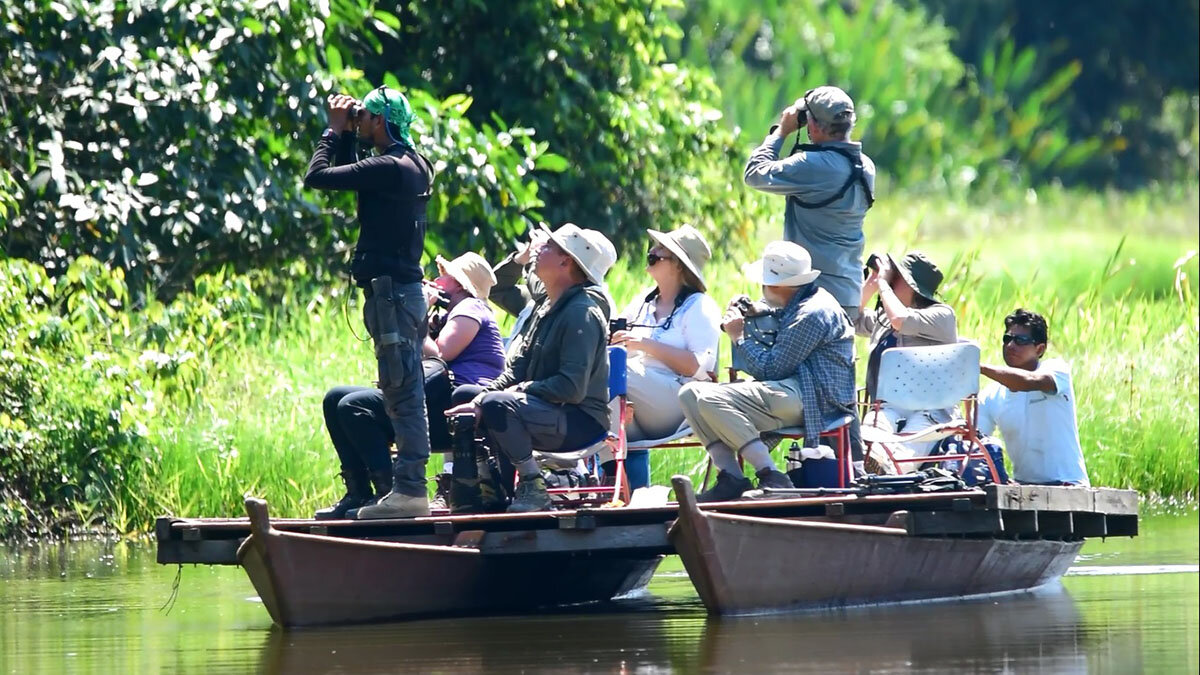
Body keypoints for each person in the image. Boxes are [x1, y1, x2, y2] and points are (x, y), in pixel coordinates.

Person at [303, 85, 435, 519]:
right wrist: (347, 135)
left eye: (364, 116)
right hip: (394, 294)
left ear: (380, 121)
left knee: (403, 392)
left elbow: (319, 177)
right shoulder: (408, 164)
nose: (358, 122)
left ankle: (410, 491)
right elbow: (349, 176)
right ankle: (378, 494)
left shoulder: (392, 167)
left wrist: (332, 130)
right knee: (399, 388)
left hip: (394, 295)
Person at [313, 252, 506, 519]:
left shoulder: (471, 308)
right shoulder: (454, 312)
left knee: (353, 406)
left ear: (460, 285)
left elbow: (439, 353)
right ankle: (358, 491)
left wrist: (420, 315)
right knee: (335, 398)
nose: (436, 279)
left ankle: (390, 493)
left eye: (444, 276)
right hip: (435, 397)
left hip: (456, 408)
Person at [445, 224, 615, 513]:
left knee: (499, 403)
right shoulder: (545, 306)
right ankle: (492, 485)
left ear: (566, 262)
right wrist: (476, 400)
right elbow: (516, 370)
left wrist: (516, 391)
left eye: (547, 246)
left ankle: (533, 485)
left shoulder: (581, 313)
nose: (538, 250)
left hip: (579, 421)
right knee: (466, 393)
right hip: (545, 409)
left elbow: (571, 389)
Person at [678, 241, 856, 502]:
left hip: (815, 398)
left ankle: (771, 475)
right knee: (689, 394)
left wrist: (738, 337)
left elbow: (770, 369)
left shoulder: (812, 314)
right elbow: (779, 317)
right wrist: (752, 308)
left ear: (776, 285)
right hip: (798, 388)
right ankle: (731, 478)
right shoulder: (804, 301)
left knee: (710, 398)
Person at [743, 85, 876, 321]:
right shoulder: (866, 166)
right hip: (848, 292)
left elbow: (754, 173)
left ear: (812, 126)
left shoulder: (814, 165)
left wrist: (781, 132)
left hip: (812, 297)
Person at [607, 225, 721, 489]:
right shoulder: (642, 302)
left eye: (661, 250)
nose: (652, 251)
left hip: (677, 401)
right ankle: (630, 501)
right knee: (602, 416)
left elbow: (698, 367)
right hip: (637, 397)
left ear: (679, 265)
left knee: (610, 369)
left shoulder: (699, 306)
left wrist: (644, 344)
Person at [857, 251, 957, 470]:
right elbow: (851, 318)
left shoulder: (942, 315)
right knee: (869, 441)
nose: (891, 281)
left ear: (913, 287)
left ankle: (889, 472)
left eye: (897, 278)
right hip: (890, 406)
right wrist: (873, 282)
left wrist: (884, 283)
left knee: (902, 457)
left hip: (931, 408)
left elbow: (901, 319)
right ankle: (874, 465)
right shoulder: (884, 319)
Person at [977, 309, 1090, 486]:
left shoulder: (1056, 370)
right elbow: (977, 443)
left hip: (1067, 484)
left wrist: (979, 367)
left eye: (1020, 340)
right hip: (1024, 488)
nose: (1010, 346)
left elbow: (1027, 382)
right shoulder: (990, 396)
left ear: (1040, 349)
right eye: (1007, 339)